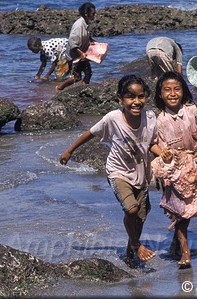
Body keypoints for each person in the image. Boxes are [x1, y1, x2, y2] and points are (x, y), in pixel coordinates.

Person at [59, 75, 172, 264]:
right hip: (117, 172)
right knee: (131, 209)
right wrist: (69, 151)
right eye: (130, 97)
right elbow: (90, 133)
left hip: (141, 175)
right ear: (120, 99)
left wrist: (162, 154)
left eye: (141, 97)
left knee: (140, 218)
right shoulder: (113, 119)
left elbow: (150, 143)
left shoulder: (150, 117)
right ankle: (137, 246)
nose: (136, 102)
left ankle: (130, 254)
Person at [152, 71, 197, 269]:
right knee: (181, 211)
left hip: (196, 167)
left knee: (189, 209)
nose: (172, 94)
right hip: (173, 172)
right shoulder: (159, 119)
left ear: (183, 91)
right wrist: (164, 154)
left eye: (176, 89)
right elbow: (154, 145)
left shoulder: (192, 110)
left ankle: (177, 241)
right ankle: (185, 251)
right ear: (160, 94)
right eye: (167, 90)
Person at [56, 2, 97, 92]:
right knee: (77, 77)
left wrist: (91, 40)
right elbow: (72, 43)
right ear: (86, 14)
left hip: (80, 54)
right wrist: (81, 54)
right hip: (74, 56)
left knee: (88, 73)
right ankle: (60, 87)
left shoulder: (86, 23)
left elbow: (87, 34)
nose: (95, 15)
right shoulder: (78, 26)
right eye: (93, 13)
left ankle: (83, 90)